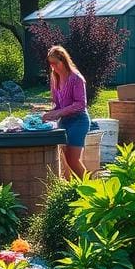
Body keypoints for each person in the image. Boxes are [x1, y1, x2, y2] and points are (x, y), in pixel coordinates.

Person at [41, 45, 89, 177]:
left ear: (63, 60)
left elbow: (80, 104)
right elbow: (58, 106)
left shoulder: (76, 78)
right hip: (64, 122)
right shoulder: (54, 78)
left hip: (79, 121)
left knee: (73, 160)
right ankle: (72, 189)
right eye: (50, 64)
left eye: (55, 63)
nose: (53, 67)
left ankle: (90, 187)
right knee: (63, 160)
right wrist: (49, 114)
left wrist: (57, 113)